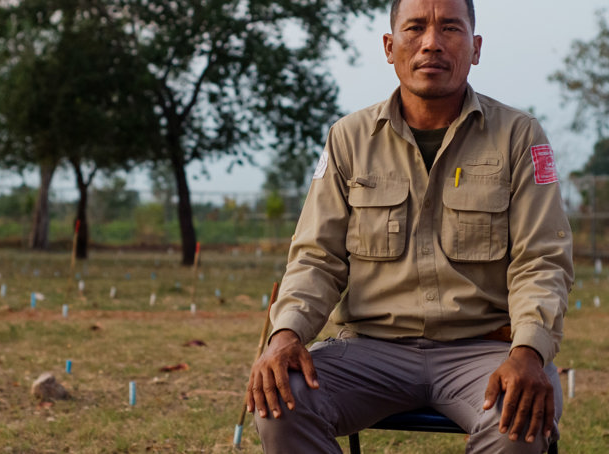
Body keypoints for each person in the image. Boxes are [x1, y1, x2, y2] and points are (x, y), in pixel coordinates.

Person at [245, 0, 573, 452]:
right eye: (415, 27)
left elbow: (541, 260)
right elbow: (316, 258)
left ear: (475, 48)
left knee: (515, 418)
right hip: (371, 349)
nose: (431, 43)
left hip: (484, 349)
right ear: (389, 45)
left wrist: (529, 351)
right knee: (284, 398)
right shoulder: (349, 139)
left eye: (451, 29)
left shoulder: (519, 137)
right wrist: (286, 335)